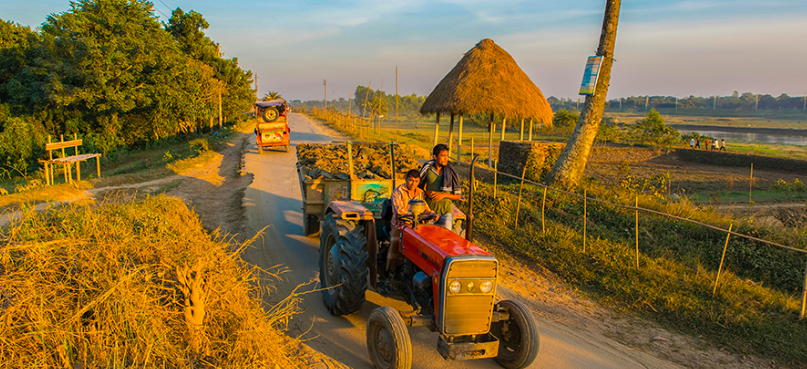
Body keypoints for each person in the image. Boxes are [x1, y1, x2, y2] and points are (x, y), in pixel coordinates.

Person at [388, 169, 436, 270]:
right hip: (400, 224)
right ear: (406, 179)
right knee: (396, 243)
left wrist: (432, 213)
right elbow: (399, 210)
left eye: (416, 181)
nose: (413, 184)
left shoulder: (420, 192)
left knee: (425, 245)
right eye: (411, 180)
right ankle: (391, 271)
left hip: (416, 225)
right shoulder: (398, 191)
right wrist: (414, 215)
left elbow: (424, 207)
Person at [419, 144, 462, 232]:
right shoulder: (428, 169)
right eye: (443, 156)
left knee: (446, 239)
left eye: (446, 156)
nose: (446, 158)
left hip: (446, 211)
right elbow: (418, 188)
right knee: (428, 238)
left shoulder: (451, 172)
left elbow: (458, 196)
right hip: (430, 210)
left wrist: (443, 195)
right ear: (435, 156)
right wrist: (427, 192)